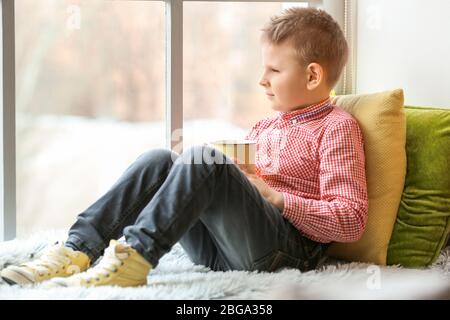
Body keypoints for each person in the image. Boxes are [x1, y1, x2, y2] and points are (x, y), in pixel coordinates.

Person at [0, 7, 368, 287]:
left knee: (201, 158)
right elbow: (246, 192)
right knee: (160, 159)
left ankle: (136, 257)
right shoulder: (265, 125)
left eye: (274, 70)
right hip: (227, 248)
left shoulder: (337, 128)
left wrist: (276, 198)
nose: (261, 80)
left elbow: (351, 219)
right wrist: (239, 183)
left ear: (313, 75)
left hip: (285, 253)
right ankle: (76, 250)